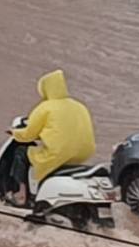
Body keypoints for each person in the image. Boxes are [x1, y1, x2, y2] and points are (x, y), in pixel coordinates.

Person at [9, 69, 96, 206]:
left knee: (21, 152)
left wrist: (14, 133)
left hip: (60, 153)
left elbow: (28, 135)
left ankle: (21, 194)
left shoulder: (45, 108)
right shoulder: (80, 106)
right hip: (82, 154)